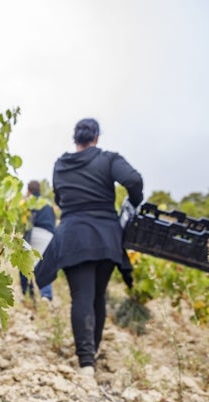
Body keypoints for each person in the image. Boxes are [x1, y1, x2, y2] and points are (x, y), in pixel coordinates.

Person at [34, 118, 143, 377]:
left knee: (81, 296)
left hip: (73, 237)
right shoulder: (108, 159)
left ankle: (86, 364)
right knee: (97, 296)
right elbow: (134, 181)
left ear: (76, 138)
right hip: (107, 237)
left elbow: (61, 197)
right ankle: (91, 352)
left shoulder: (60, 165)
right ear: (96, 137)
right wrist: (133, 204)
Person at [19, 180, 56, 301]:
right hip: (49, 236)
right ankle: (46, 295)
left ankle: (28, 294)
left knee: (26, 264)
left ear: (29, 190)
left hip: (34, 233)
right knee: (44, 265)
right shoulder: (48, 203)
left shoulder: (27, 202)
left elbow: (24, 222)